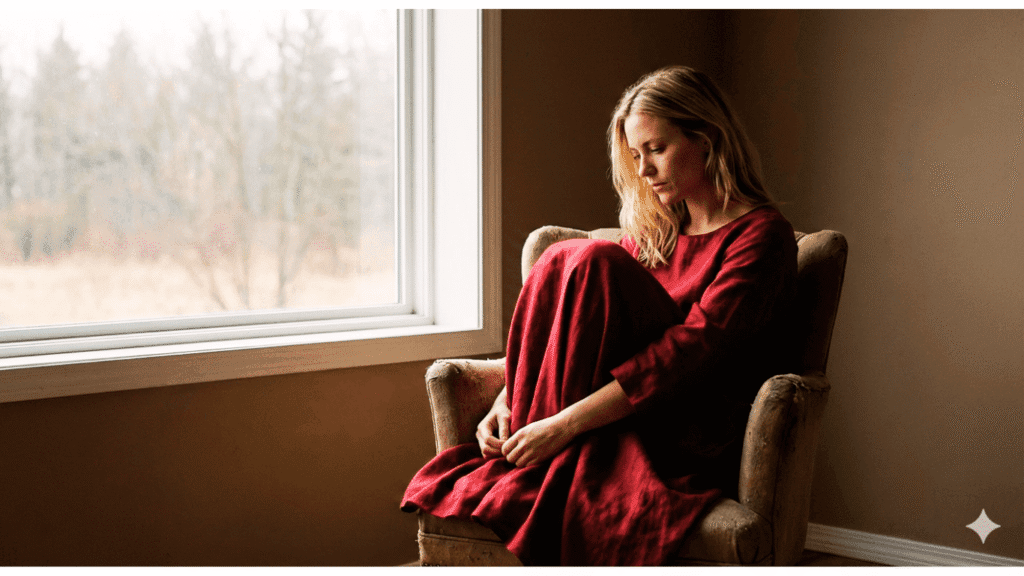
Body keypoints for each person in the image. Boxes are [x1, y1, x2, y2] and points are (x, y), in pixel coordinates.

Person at [401, 66, 798, 566]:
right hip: (610, 412)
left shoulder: (761, 236)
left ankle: (534, 460)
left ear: (708, 138)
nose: (645, 169)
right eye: (636, 156)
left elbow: (692, 353)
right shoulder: (659, 230)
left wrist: (562, 426)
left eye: (657, 149)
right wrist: (508, 396)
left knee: (589, 258)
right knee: (563, 257)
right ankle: (525, 430)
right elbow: (574, 326)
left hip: (687, 422)